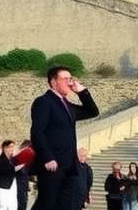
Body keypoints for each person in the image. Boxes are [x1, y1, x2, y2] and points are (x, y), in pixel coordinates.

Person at [30, 66, 99, 210]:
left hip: (70, 165)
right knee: (46, 204)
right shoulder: (44, 102)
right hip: (53, 164)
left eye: (70, 78)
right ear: (54, 82)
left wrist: (82, 92)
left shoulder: (67, 106)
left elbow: (92, 112)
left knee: (65, 204)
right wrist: (47, 157)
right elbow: (37, 132)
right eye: (65, 79)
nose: (69, 82)